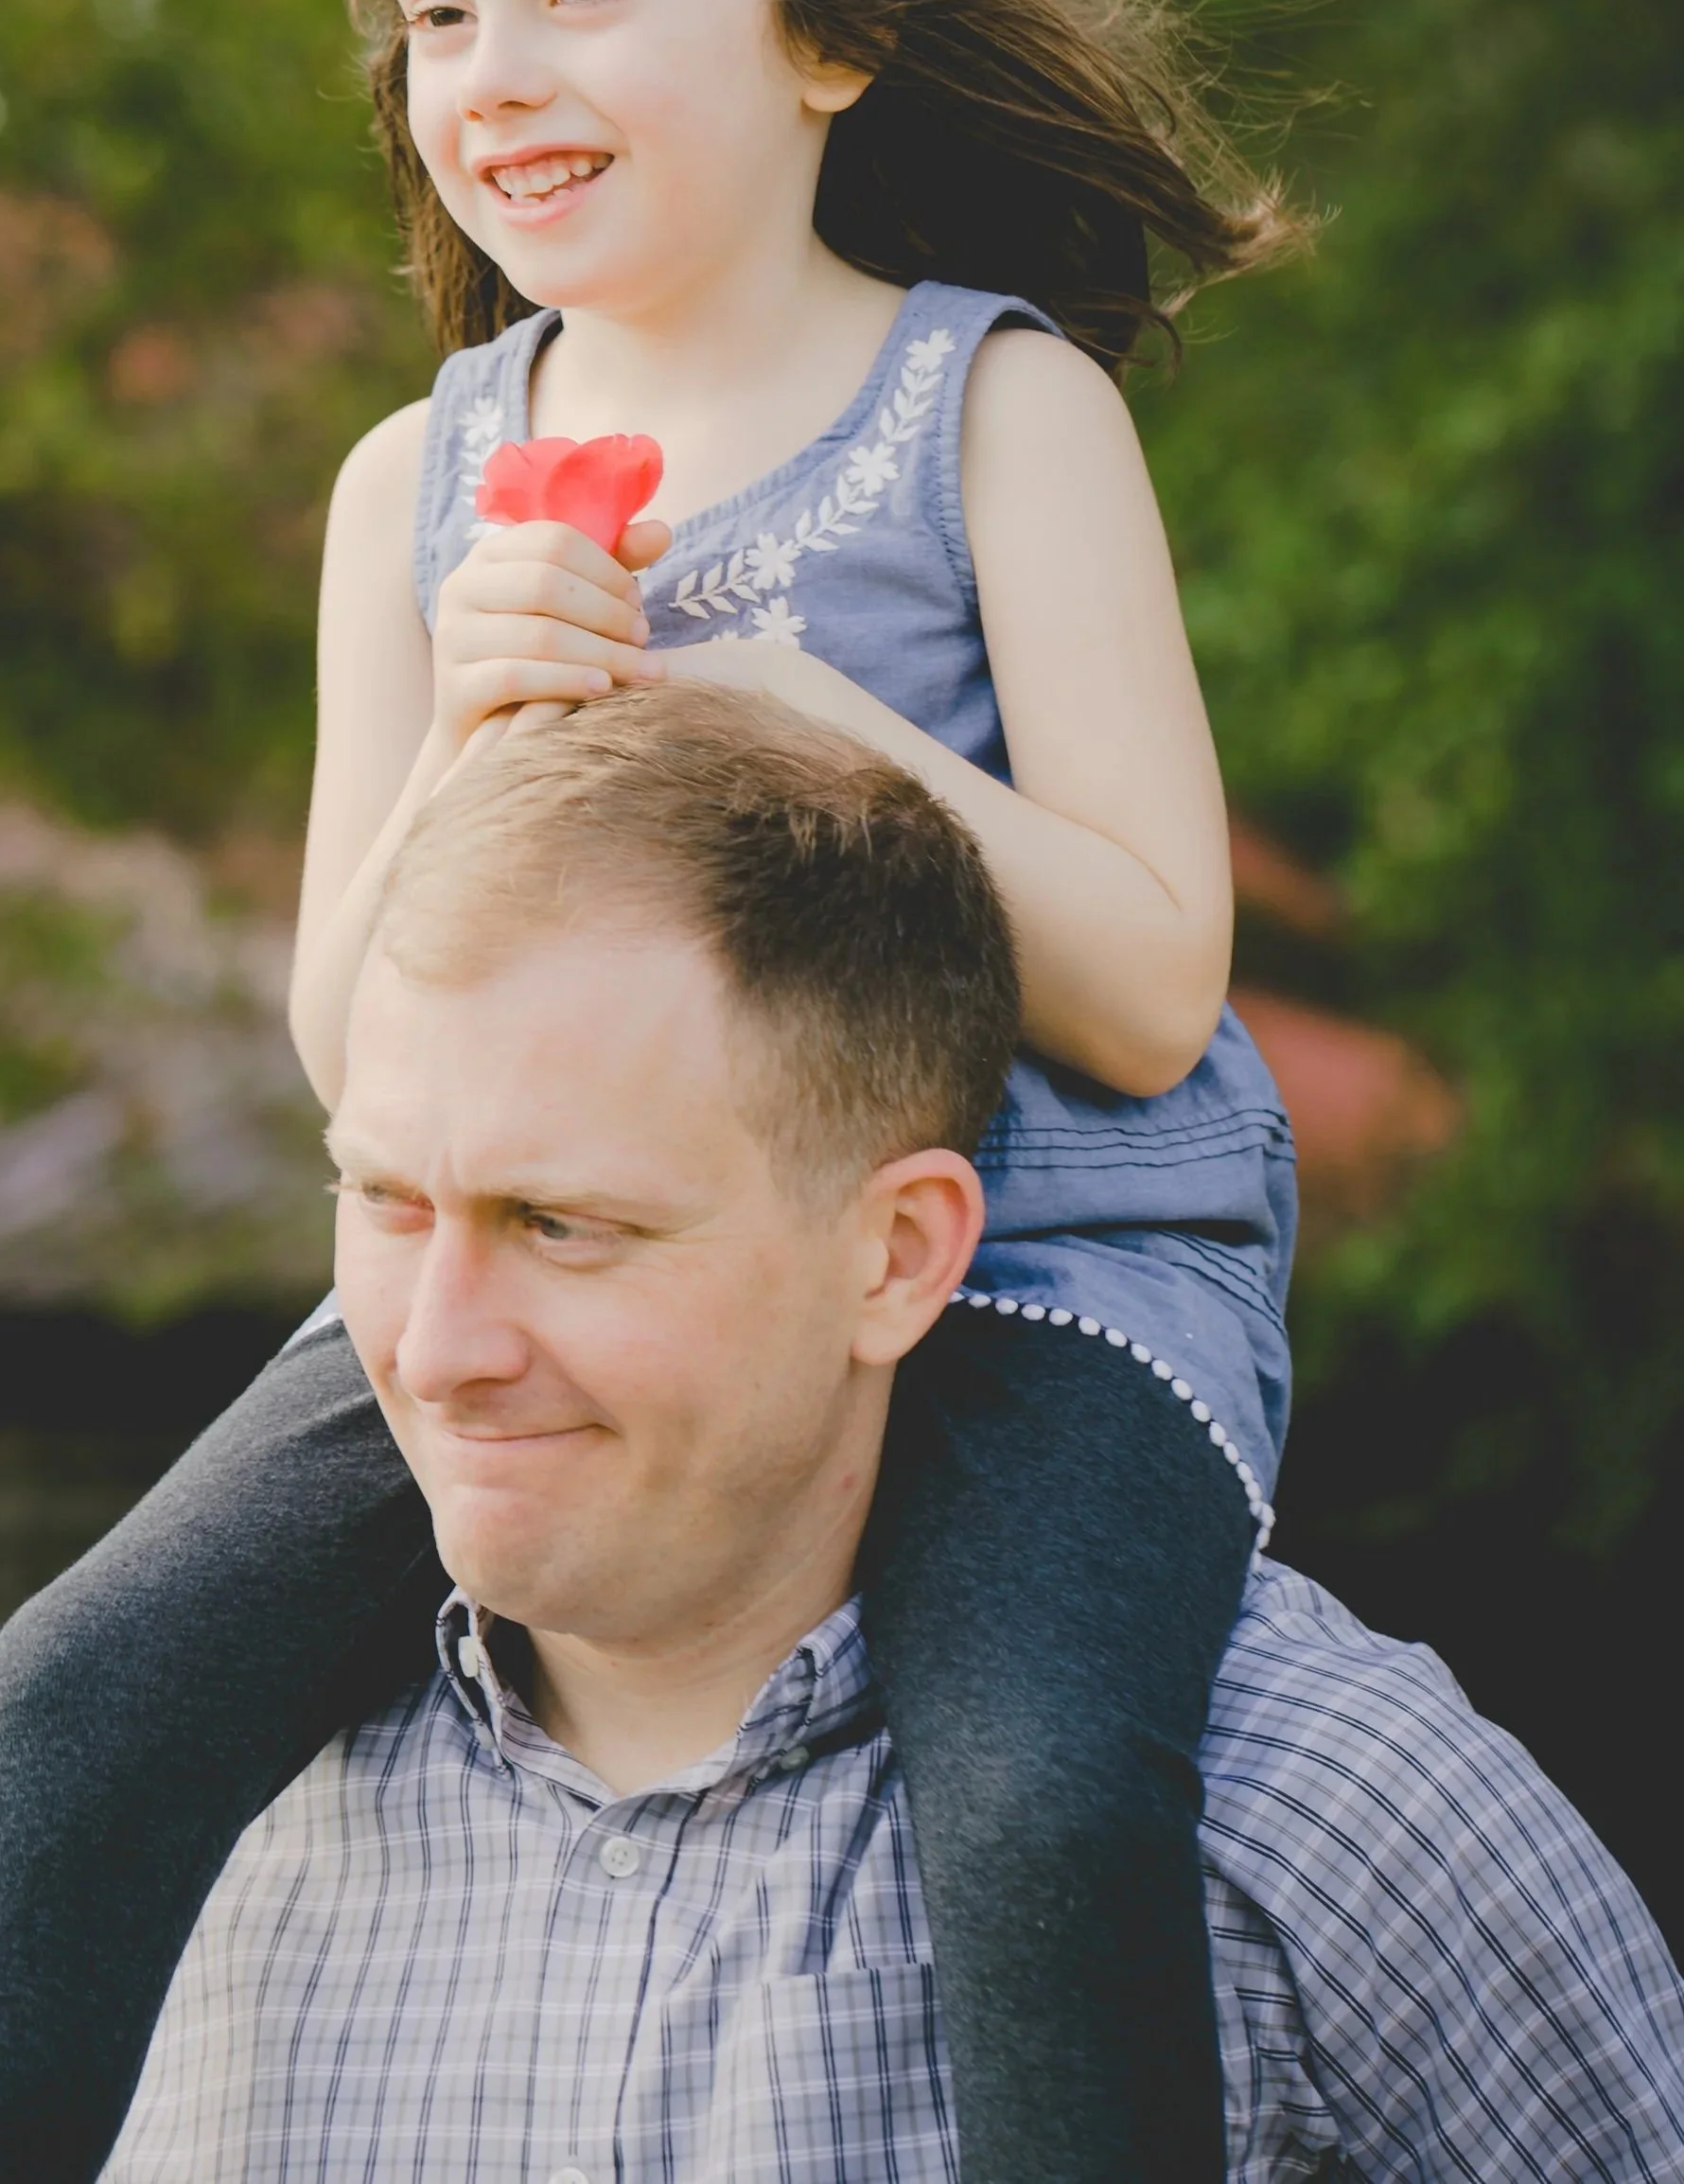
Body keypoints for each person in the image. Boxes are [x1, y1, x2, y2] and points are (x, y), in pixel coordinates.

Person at [0, 0, 1310, 2183]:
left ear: (829, 26)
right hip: (536, 1251)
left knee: (1041, 1802)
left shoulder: (993, 410)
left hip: (1035, 1269)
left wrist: (809, 720)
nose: (489, 70)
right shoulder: (410, 494)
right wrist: (480, 745)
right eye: (435, 10)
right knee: (72, 1690)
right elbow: (346, 1033)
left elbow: (1142, 978)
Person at [102, 682, 1684, 2178]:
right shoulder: (190, 1824)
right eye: (384, 1201)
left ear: (898, 1255)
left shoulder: (1330, 1815)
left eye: (562, 1225)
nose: (436, 1352)